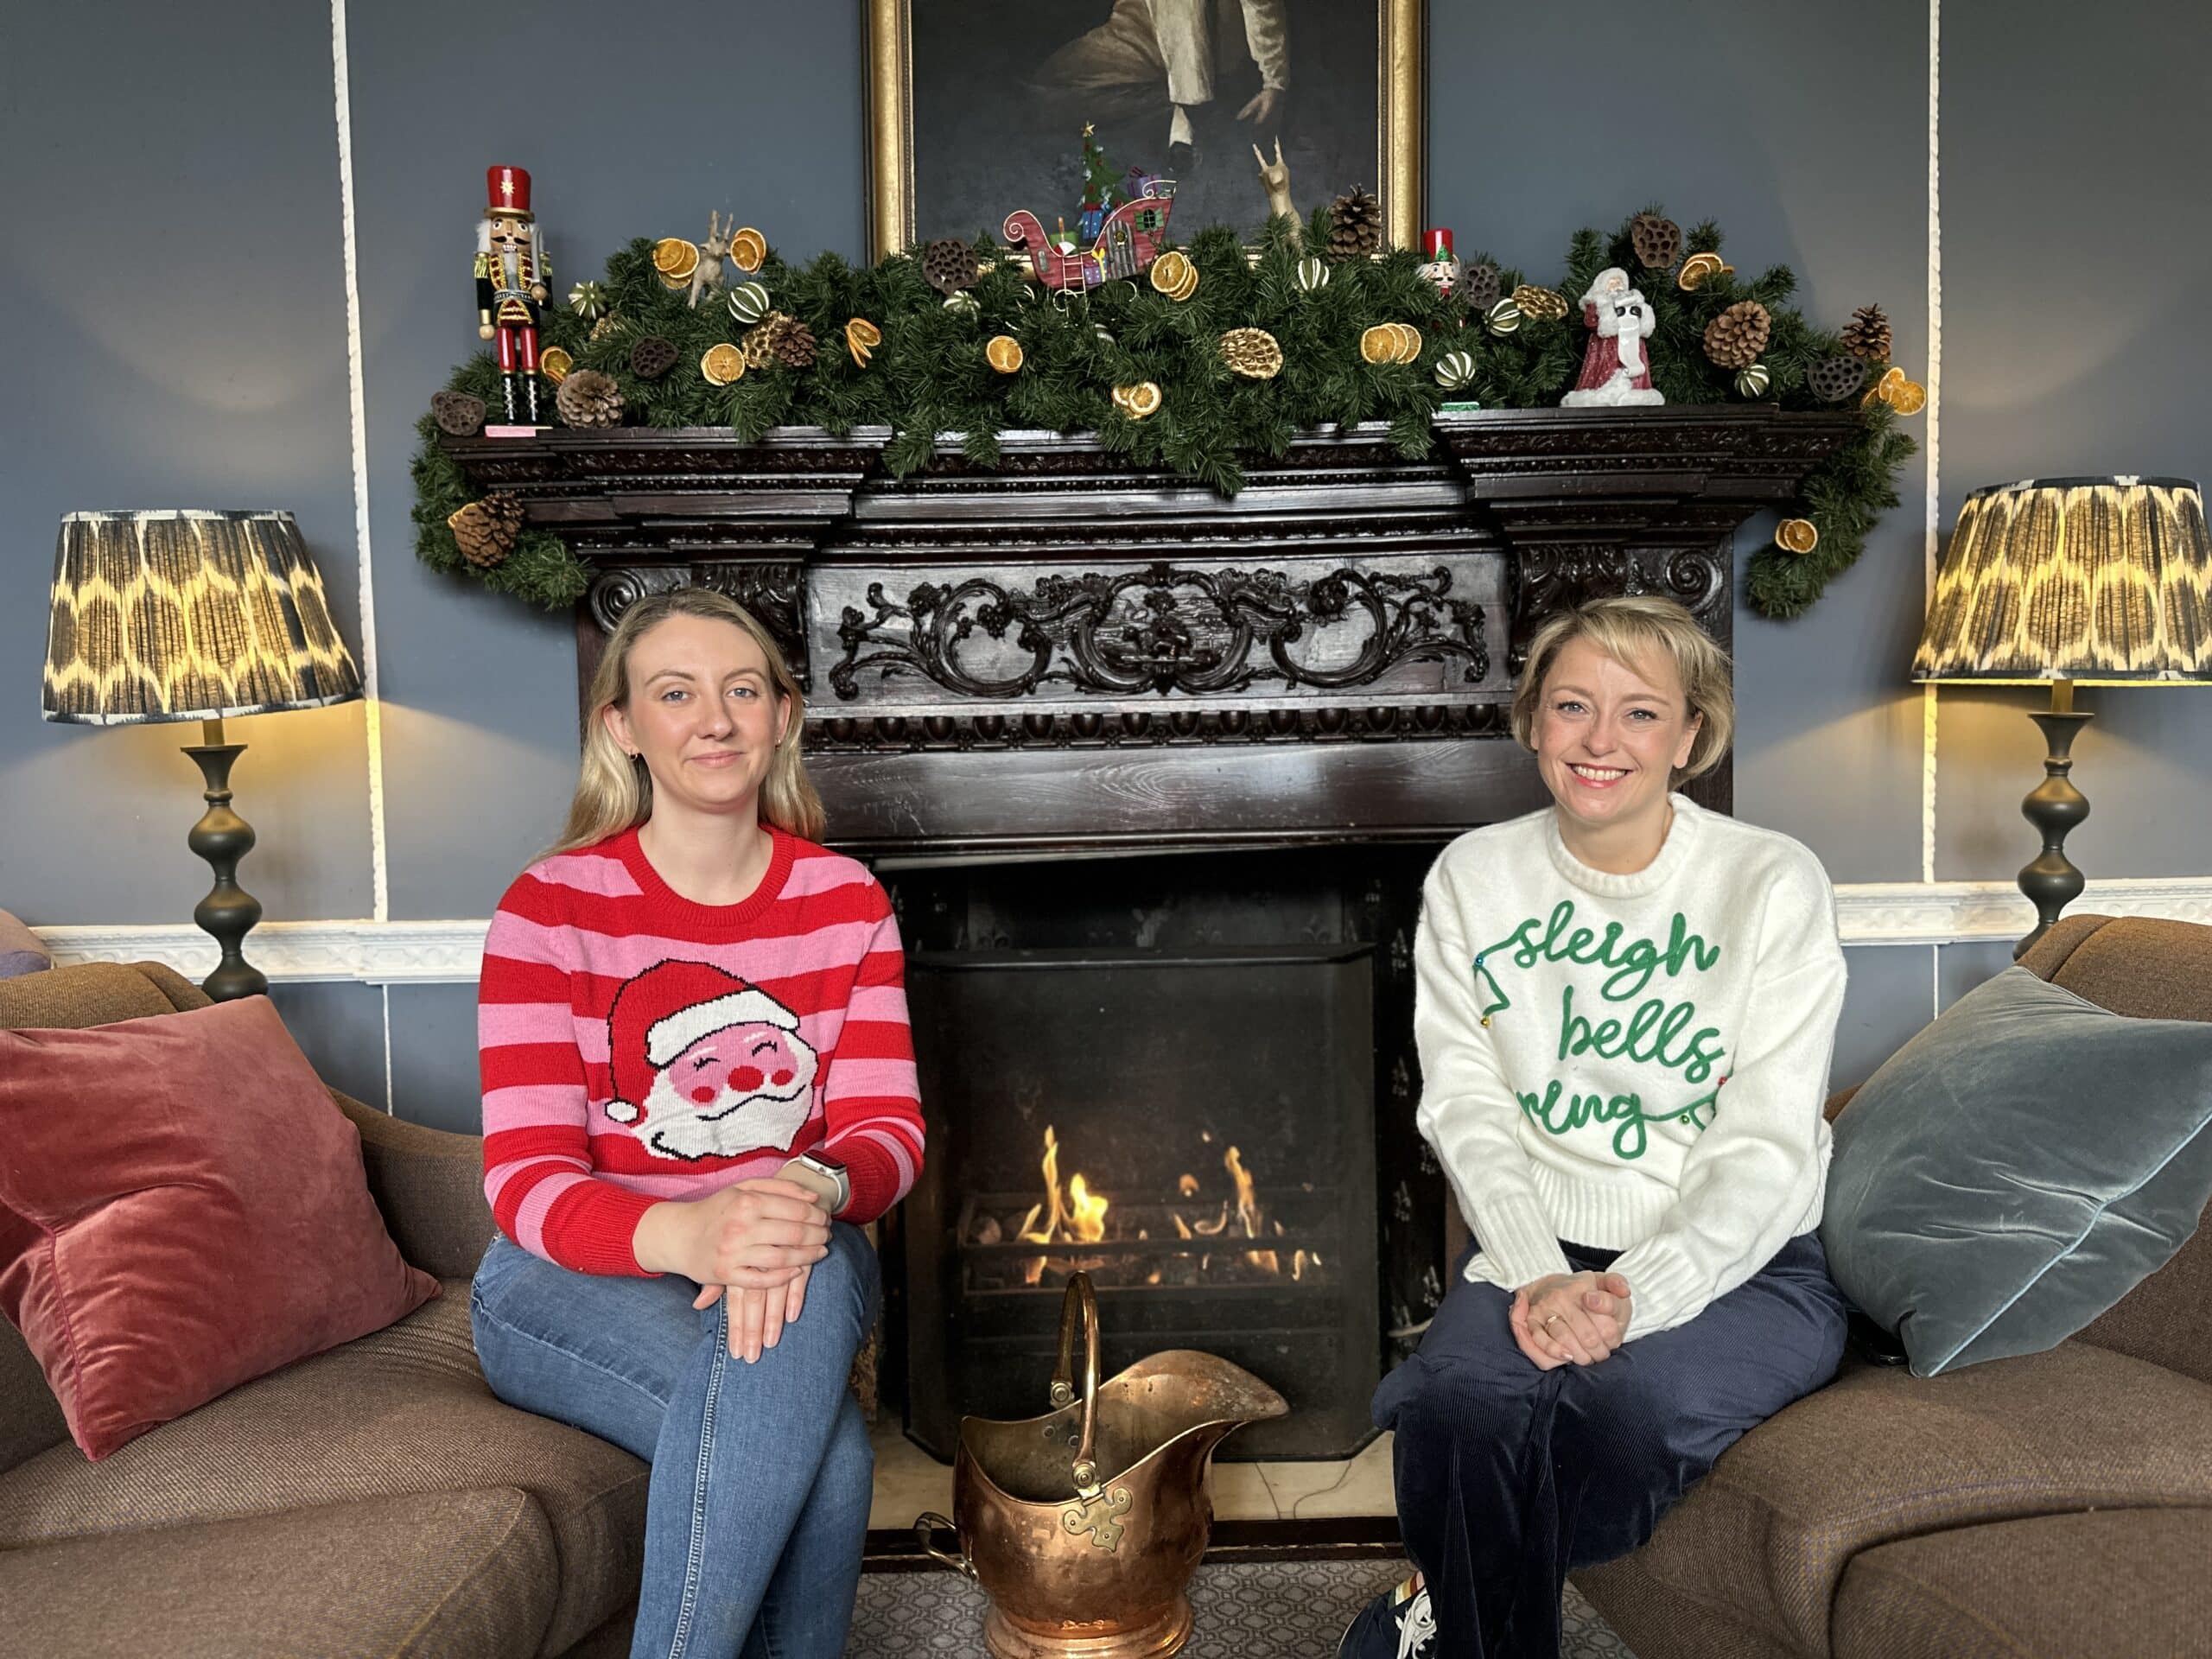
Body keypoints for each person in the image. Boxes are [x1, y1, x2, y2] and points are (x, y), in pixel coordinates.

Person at [1342, 595, 1850, 1659]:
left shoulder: (1768, 881)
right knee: (1449, 1406)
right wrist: (1535, 1271)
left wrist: (1641, 1292)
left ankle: (1441, 1602)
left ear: (1690, 737)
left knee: (1625, 1415)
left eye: (1639, 715)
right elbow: (1465, 1105)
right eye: (1571, 706)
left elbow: (1764, 1138)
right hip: (1540, 1253)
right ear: (1533, 723)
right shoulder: (1475, 878)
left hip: (1747, 1262)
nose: (1599, 742)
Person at [469, 588, 924, 1659]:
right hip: (566, 1280)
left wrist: (801, 1190)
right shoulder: (548, 911)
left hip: (796, 1250)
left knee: (801, 1285)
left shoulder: (844, 899)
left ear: (779, 718)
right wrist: (685, 1233)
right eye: (676, 694)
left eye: (741, 691)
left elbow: (887, 1137)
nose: (714, 720)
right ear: (622, 728)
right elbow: (522, 1176)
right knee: (833, 1450)